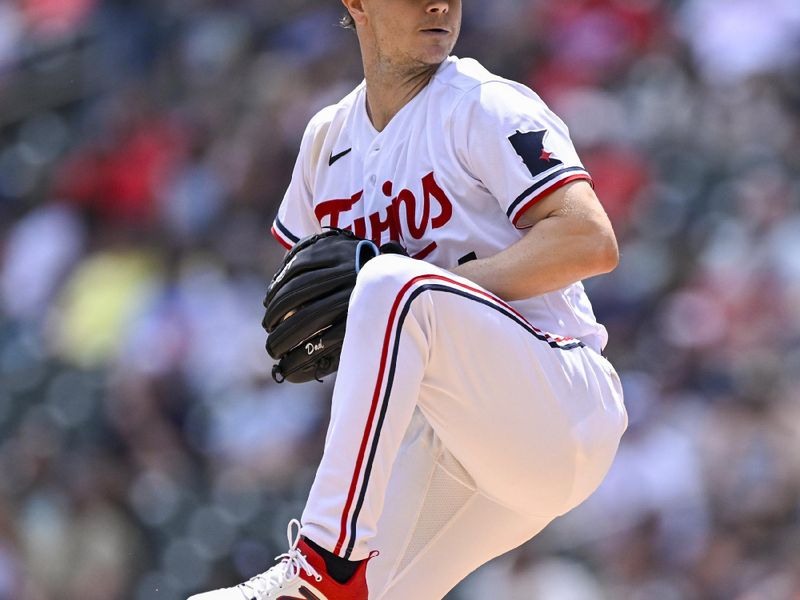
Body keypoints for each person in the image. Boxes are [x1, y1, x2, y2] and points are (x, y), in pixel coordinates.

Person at [190, 1, 627, 599]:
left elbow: (590, 239)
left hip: (556, 401)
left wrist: (430, 291)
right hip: (452, 447)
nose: (440, 4)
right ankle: (314, 580)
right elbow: (302, 292)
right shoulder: (327, 140)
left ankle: (327, 557)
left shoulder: (483, 104)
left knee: (392, 284)